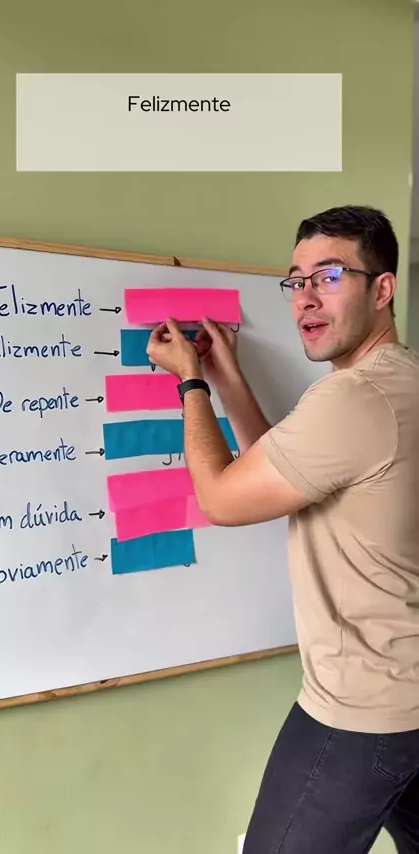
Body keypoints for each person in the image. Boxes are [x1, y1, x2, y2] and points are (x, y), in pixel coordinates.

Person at [146, 205, 419, 854]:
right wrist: (228, 378)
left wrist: (190, 383)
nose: (305, 298)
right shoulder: (400, 381)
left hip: (362, 712)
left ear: (383, 289)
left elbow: (220, 497)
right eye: (296, 281)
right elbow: (285, 471)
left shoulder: (353, 399)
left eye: (330, 276)